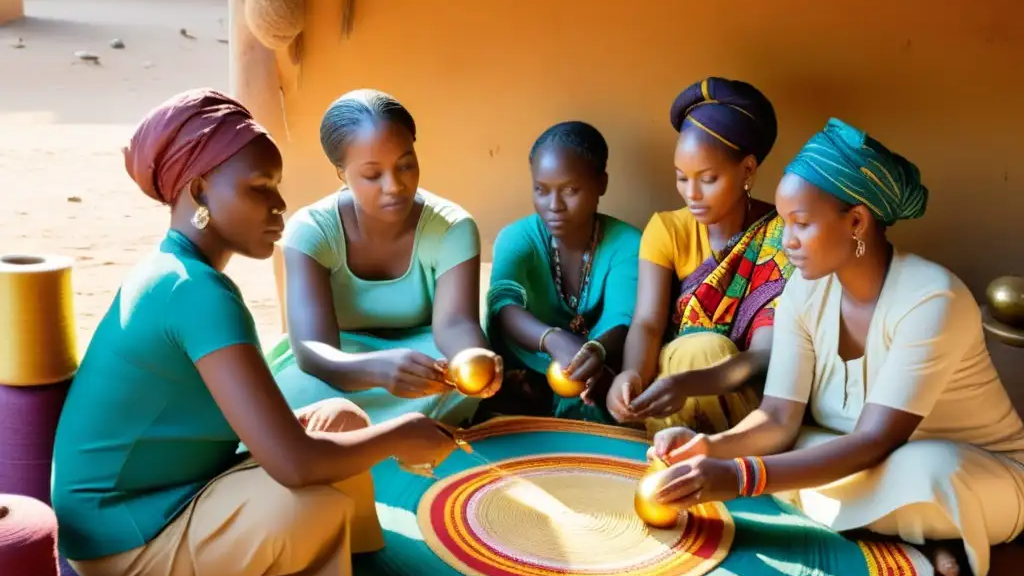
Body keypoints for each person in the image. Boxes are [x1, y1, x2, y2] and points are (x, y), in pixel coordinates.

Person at [50, 89, 457, 576]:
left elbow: (284, 443)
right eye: (259, 188)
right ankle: (323, 566)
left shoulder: (180, 275)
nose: (279, 205)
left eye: (277, 186)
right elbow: (292, 463)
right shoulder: (194, 293)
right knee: (311, 510)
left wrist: (380, 437)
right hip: (126, 539)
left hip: (184, 485)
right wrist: (402, 434)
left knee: (340, 418)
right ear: (198, 192)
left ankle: (345, 560)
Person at [645, 118, 1024, 576]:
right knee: (804, 442)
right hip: (855, 456)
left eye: (801, 224)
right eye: (784, 224)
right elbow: (779, 417)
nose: (787, 243)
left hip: (973, 470)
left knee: (926, 471)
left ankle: (916, 522)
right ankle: (914, 530)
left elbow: (874, 441)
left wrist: (740, 477)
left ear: (858, 221)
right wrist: (714, 448)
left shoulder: (932, 298)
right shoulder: (804, 292)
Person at [266, 89, 501, 426]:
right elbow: (313, 348)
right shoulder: (311, 231)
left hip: (425, 354)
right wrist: (378, 369)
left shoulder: (452, 227)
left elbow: (454, 324)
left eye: (406, 165)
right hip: (340, 363)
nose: (395, 186)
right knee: (295, 394)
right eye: (373, 175)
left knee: (453, 385)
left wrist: (473, 359)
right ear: (340, 172)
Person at [607, 78, 794, 435]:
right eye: (681, 178)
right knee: (692, 350)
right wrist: (632, 373)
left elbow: (765, 356)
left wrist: (693, 382)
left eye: (708, 179)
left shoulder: (781, 236)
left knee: (707, 348)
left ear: (748, 170)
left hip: (744, 406)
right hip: (670, 395)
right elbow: (647, 321)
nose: (691, 194)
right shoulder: (666, 229)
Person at [484, 121, 641, 422]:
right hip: (523, 381)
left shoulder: (629, 244)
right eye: (541, 190)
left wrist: (595, 352)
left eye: (570, 190)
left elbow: (622, 318)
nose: (554, 205)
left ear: (601, 184)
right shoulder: (517, 238)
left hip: (598, 376)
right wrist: (553, 339)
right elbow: (503, 304)